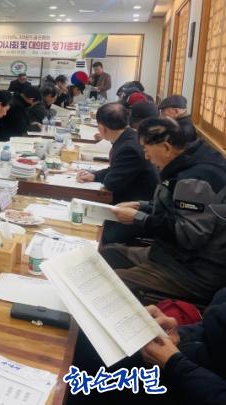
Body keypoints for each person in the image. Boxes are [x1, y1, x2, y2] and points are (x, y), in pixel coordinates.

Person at [101, 117, 226, 305]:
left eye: (146, 149)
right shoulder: (191, 160)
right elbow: (174, 209)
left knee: (107, 284)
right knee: (106, 254)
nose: (146, 157)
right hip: (171, 255)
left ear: (166, 148)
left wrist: (140, 218)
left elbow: (188, 236)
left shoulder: (195, 179)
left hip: (194, 271)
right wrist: (141, 206)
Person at [68, 291, 226, 405]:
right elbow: (216, 324)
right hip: (192, 355)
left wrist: (175, 363)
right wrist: (177, 333)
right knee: (91, 336)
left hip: (199, 382)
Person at [76, 103, 158, 244]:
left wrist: (103, 176)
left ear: (102, 128)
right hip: (132, 202)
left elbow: (112, 183)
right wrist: (95, 175)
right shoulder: (130, 136)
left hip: (136, 210)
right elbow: (116, 169)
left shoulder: (128, 147)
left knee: (90, 229)